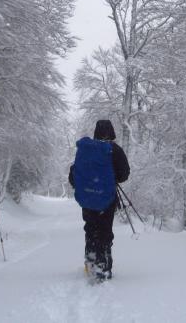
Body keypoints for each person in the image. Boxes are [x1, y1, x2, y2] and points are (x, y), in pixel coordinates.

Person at [69, 119, 130, 282]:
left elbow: (73, 176)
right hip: (107, 198)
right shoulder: (114, 150)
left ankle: (90, 264)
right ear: (112, 132)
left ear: (96, 132)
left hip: (88, 199)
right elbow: (125, 174)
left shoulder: (86, 149)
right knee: (105, 231)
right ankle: (103, 267)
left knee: (90, 229)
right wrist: (110, 179)